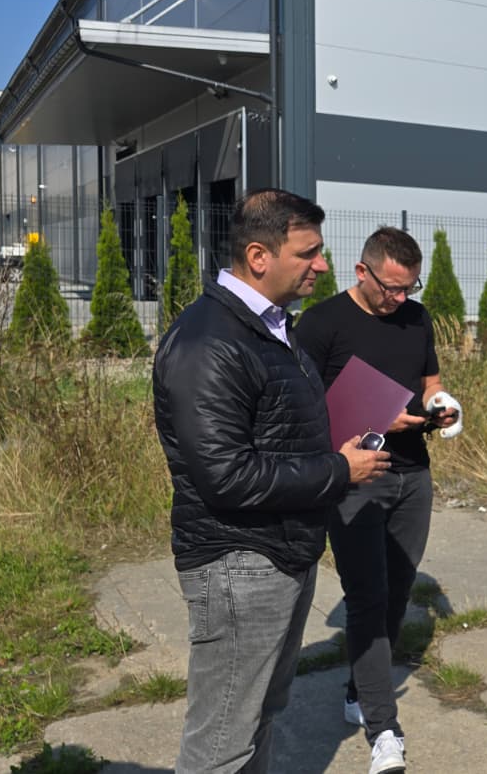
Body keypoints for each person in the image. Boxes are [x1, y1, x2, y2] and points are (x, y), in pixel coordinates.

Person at [153, 188, 390, 774]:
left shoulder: (270, 326)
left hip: (280, 554)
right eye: (308, 253)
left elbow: (275, 435)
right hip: (239, 563)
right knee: (220, 743)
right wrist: (340, 470)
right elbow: (226, 475)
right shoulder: (210, 341)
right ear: (259, 257)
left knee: (257, 716)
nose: (323, 265)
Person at [297, 225, 460, 773]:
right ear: (361, 271)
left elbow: (430, 379)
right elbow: (302, 410)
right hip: (354, 477)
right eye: (391, 287)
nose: (399, 298)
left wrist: (440, 404)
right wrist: (377, 421)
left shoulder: (416, 317)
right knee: (367, 596)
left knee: (396, 593)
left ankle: (359, 691)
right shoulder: (321, 324)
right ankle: (383, 729)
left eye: (409, 287)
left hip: (413, 473)